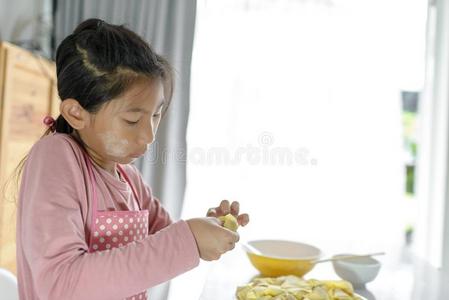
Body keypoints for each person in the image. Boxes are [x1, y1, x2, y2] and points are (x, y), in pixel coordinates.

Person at [15, 18, 249, 300]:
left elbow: (161, 243)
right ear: (76, 113)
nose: (149, 136)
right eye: (132, 120)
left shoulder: (128, 176)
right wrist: (187, 239)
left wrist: (207, 231)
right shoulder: (56, 157)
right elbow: (60, 285)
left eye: (155, 115)